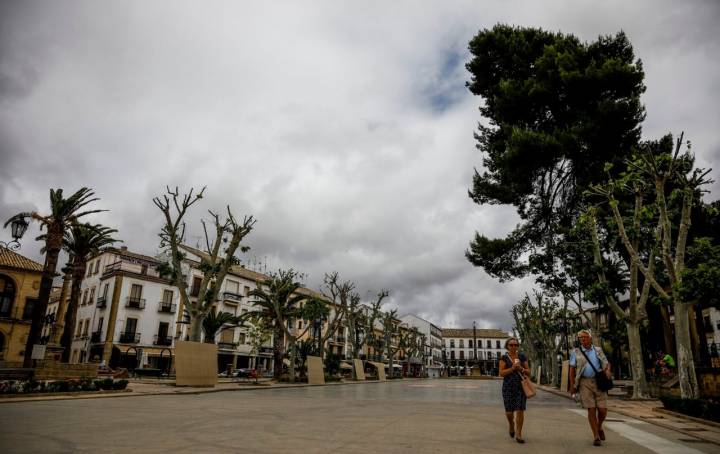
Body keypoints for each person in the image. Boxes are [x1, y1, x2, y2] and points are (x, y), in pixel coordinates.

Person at [569, 329, 612, 447]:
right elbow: (572, 369)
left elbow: (606, 363)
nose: (583, 339)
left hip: (599, 381)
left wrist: (608, 371)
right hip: (584, 382)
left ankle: (599, 427)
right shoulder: (575, 352)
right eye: (581, 338)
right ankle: (596, 436)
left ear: (590, 338)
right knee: (591, 409)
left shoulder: (598, 350)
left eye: (585, 337)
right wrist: (572, 386)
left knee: (603, 411)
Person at [499, 337, 530, 444]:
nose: (513, 347)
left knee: (520, 410)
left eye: (516, 345)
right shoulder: (504, 358)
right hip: (508, 387)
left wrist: (521, 368)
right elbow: (501, 373)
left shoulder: (522, 357)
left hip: (521, 387)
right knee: (509, 412)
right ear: (507, 346)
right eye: (511, 345)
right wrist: (512, 368)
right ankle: (511, 425)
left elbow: (528, 371)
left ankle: (519, 434)